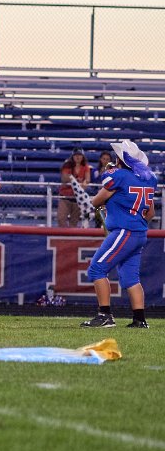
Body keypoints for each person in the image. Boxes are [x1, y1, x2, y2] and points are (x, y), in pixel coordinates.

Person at [82, 140, 157, 329]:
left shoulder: (119, 176)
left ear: (120, 159)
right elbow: (150, 213)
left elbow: (96, 201)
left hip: (124, 231)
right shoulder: (148, 178)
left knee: (97, 269)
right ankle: (140, 320)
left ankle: (105, 316)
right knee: (131, 278)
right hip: (139, 233)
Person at [58, 147, 91, 227]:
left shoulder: (85, 166)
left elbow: (87, 180)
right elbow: (64, 178)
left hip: (77, 198)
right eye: (76, 155)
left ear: (83, 156)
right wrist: (75, 180)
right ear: (72, 156)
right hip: (65, 197)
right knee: (61, 218)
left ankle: (70, 235)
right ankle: (64, 233)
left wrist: (83, 183)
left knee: (74, 222)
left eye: (80, 155)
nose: (78, 157)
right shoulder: (67, 165)